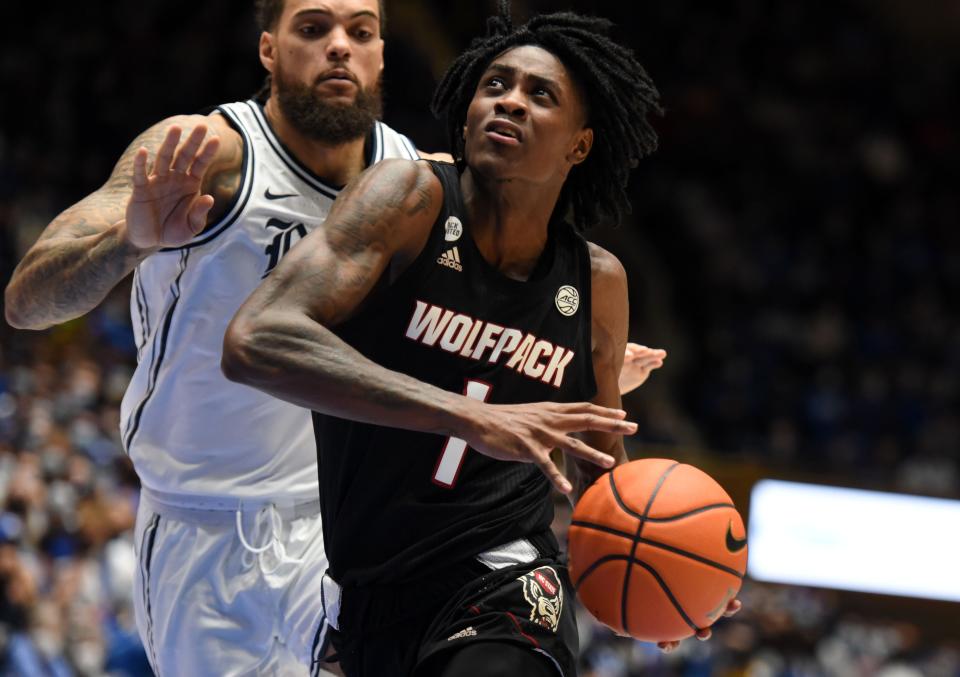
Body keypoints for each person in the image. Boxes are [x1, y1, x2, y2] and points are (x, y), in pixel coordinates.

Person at [222, 4, 737, 676]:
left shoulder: (598, 281)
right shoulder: (407, 200)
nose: (510, 103)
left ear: (580, 143)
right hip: (367, 593)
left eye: (539, 94)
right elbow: (255, 339)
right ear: (465, 116)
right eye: (495, 86)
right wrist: (465, 413)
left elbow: (600, 466)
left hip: (505, 575)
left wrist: (666, 574)